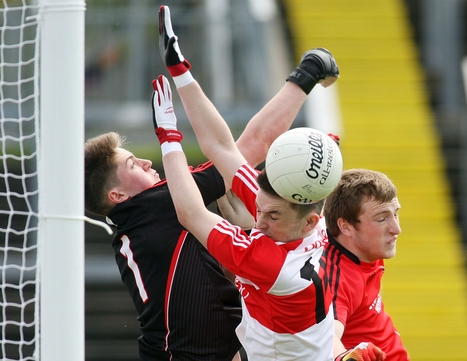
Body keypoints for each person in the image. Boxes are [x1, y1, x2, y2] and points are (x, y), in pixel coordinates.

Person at [83, 8, 340, 361]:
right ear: (117, 195)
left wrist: (172, 131)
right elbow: (241, 151)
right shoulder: (158, 205)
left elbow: (227, 158)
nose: (145, 161)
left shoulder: (142, 217)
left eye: (271, 216)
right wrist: (304, 76)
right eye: (132, 163)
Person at [152, 7, 384, 361]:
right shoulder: (291, 205)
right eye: (260, 209)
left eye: (271, 217)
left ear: (309, 221)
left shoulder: (268, 261)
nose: (258, 222)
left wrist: (169, 139)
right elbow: (223, 148)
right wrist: (181, 73)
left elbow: (189, 212)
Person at [322, 169, 411, 361]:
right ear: (345, 227)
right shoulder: (337, 279)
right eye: (381, 219)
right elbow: (326, 338)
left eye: (396, 214)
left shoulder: (365, 249)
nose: (397, 229)